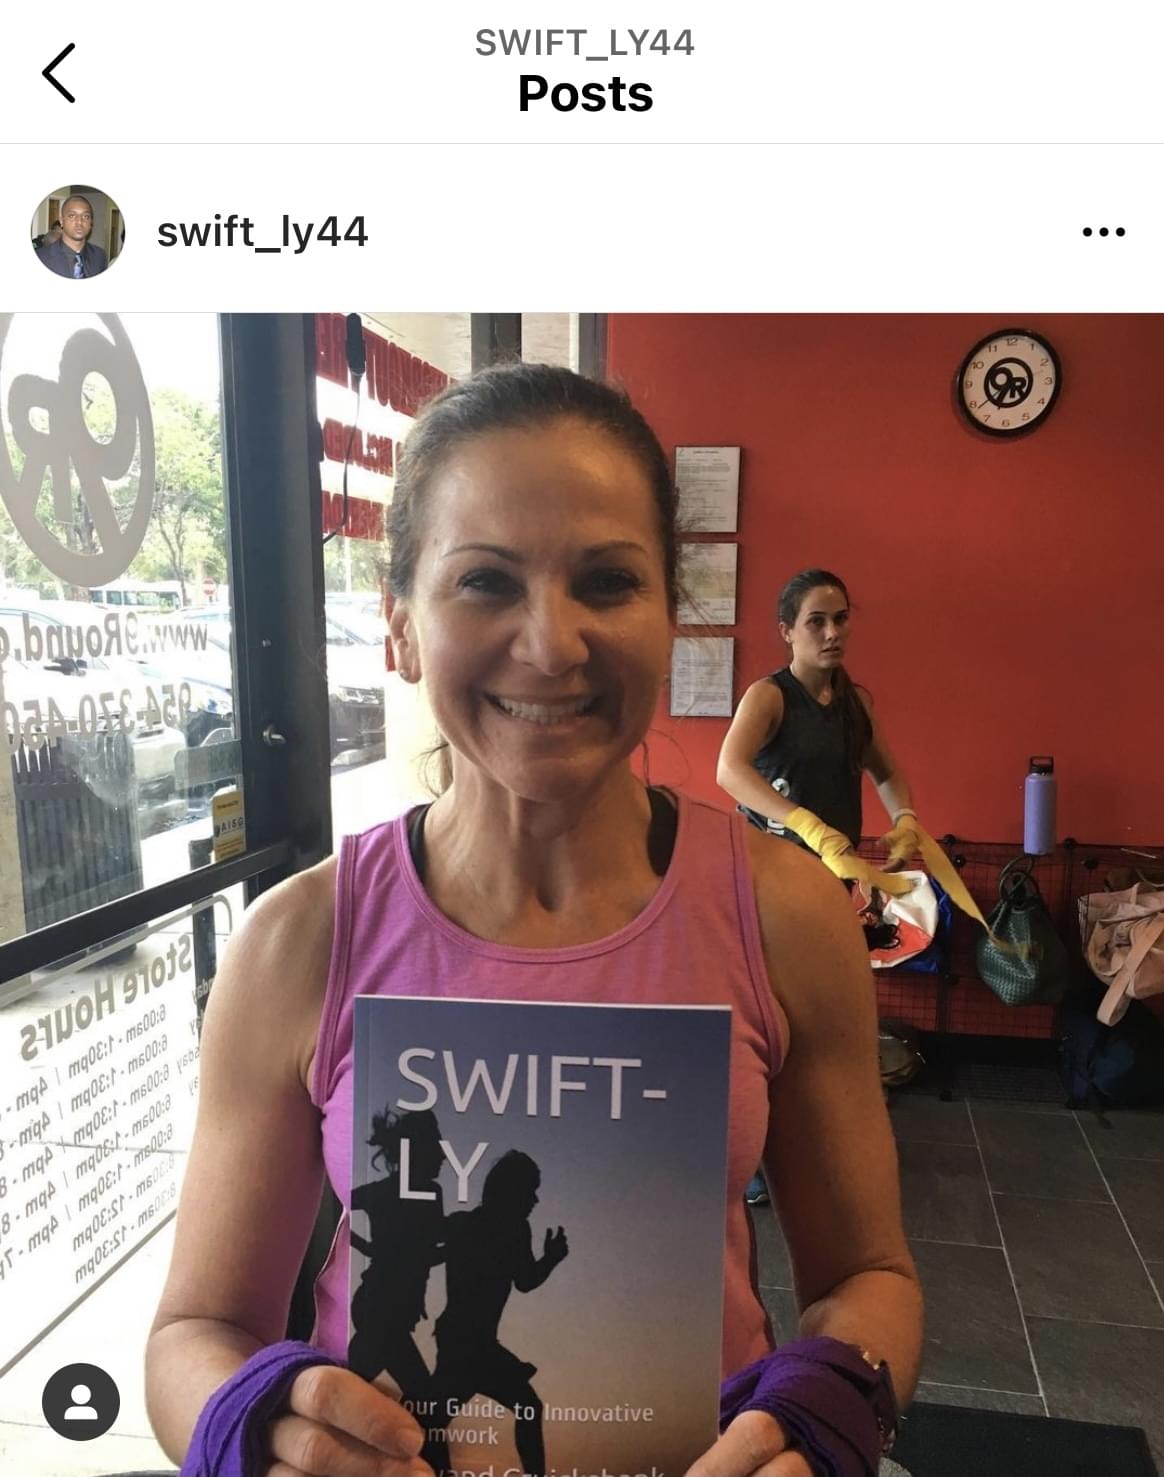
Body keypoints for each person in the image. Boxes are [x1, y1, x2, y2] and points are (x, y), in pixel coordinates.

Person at [145, 365, 922, 1477]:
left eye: (608, 581)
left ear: (670, 615)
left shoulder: (785, 914)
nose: (552, 644)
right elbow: (197, 1329)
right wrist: (260, 1429)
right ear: (400, 626)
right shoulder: (299, 941)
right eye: (485, 582)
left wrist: (828, 1418)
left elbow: (868, 1278)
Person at [717, 569, 927, 1209]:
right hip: (768, 883)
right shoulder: (769, 697)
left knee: (817, 1019)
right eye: (816, 621)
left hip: (832, 883)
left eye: (840, 619)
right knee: (768, 1020)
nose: (832, 632)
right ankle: (750, 1159)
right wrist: (803, 822)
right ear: (787, 631)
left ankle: (807, 1149)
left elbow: (885, 769)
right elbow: (729, 770)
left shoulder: (854, 703)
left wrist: (905, 817)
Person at [424, 1150, 568, 1477]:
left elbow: (524, 1280)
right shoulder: (487, 1227)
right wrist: (550, 1259)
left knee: (434, 1418)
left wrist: (550, 1259)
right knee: (525, 1407)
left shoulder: (494, 1227)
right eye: (530, 1191)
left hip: (473, 1342)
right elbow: (526, 1280)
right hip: (464, 1343)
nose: (535, 1200)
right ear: (512, 1191)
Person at [347, 1107, 447, 1407]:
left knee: (353, 1385)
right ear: (418, 1152)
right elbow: (335, 1205)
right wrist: (366, 1247)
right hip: (380, 1307)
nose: (443, 1156)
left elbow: (425, 1254)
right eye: (436, 1147)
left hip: (396, 1312)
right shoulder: (382, 1192)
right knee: (423, 1397)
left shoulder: (432, 1194)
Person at [35, 194, 108, 278]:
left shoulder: (100, 256)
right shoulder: (40, 257)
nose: (79, 222)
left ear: (91, 222)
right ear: (61, 221)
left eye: (85, 216)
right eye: (72, 216)